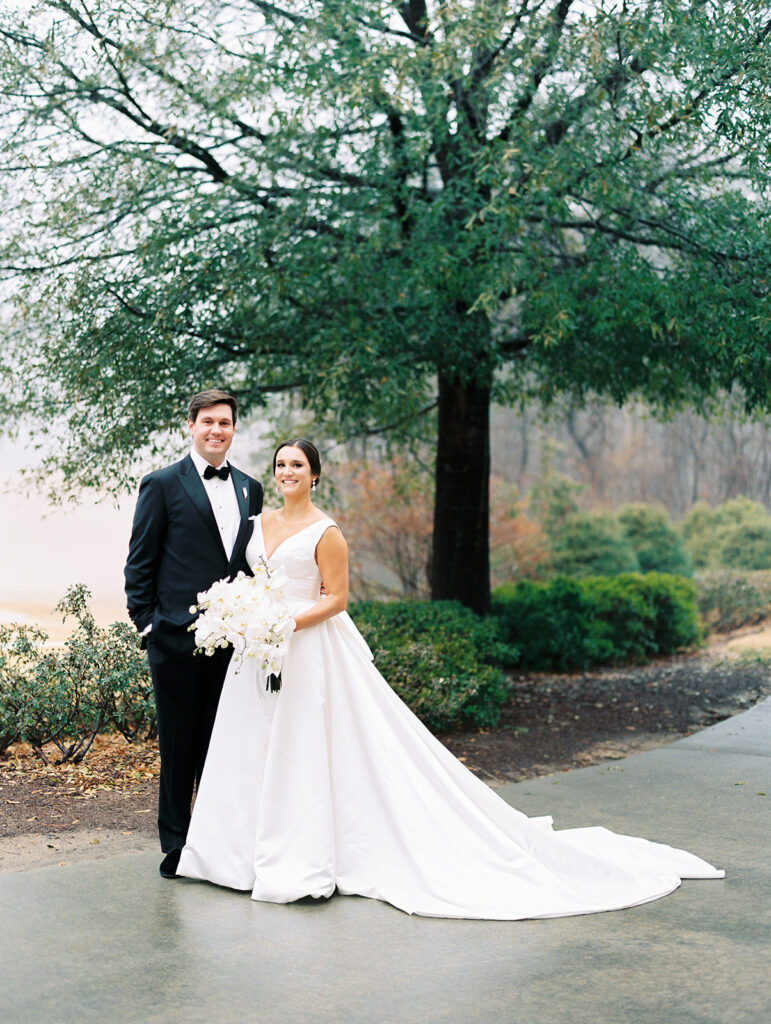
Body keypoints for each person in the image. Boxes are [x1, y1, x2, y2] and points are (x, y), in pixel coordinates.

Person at [178, 439, 724, 919]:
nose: (286, 472)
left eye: (297, 464)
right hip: (258, 654)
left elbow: (337, 599)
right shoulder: (261, 522)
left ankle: (299, 857)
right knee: (251, 746)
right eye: (280, 464)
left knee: (305, 748)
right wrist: (247, 613)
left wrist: (284, 621)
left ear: (314, 474)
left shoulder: (327, 531)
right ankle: (233, 856)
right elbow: (252, 579)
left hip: (308, 649)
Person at [124, 389, 263, 879]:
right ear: (190, 425)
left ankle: (220, 841)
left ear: (232, 429)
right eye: (207, 421)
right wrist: (148, 628)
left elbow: (251, 565)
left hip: (235, 646)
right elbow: (139, 564)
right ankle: (177, 844)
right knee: (179, 746)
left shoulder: (251, 487)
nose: (216, 430)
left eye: (224, 423)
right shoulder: (161, 484)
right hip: (175, 641)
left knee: (224, 745)